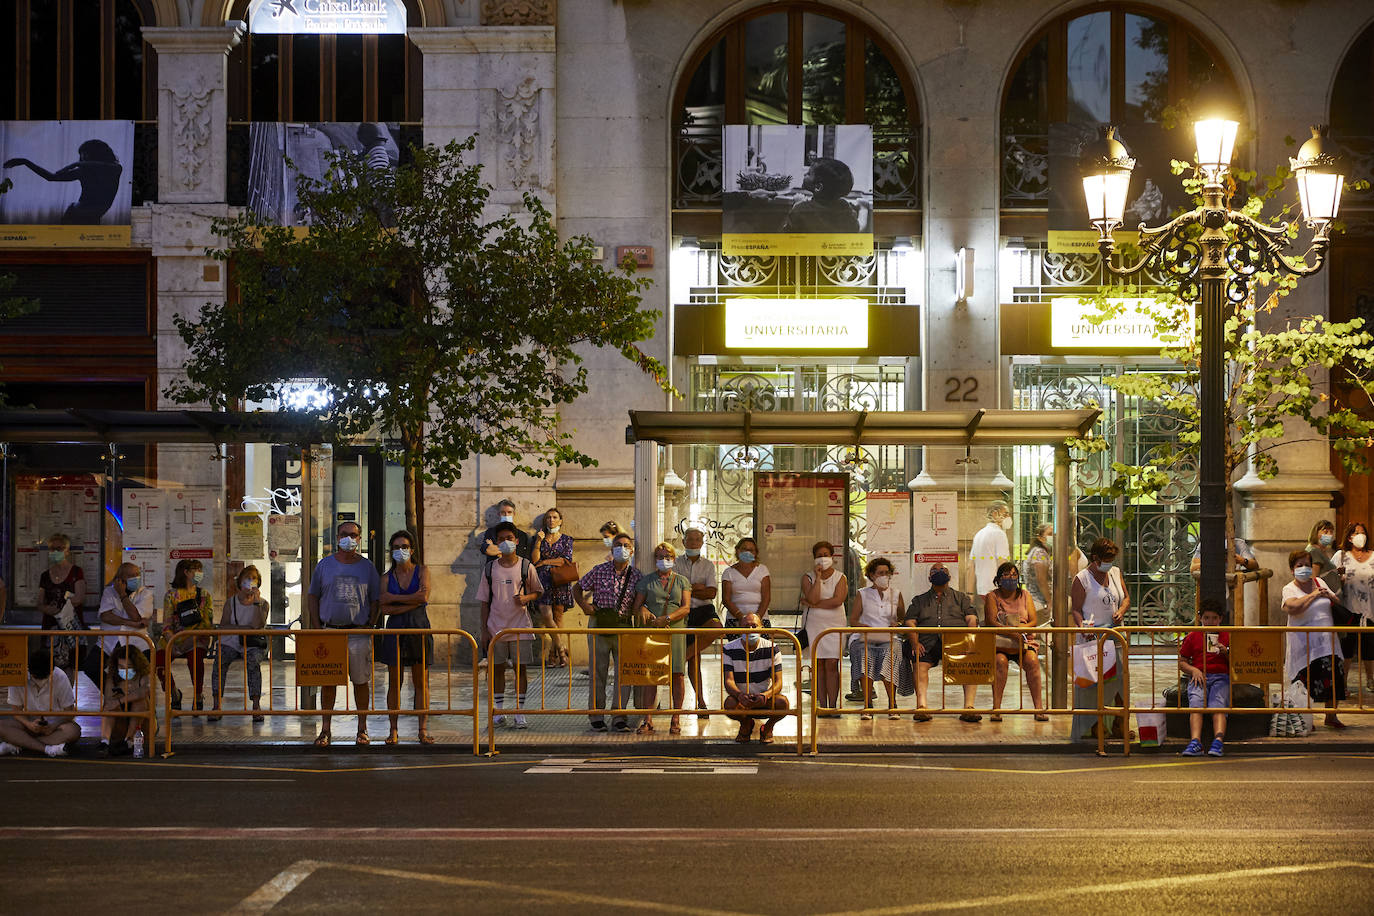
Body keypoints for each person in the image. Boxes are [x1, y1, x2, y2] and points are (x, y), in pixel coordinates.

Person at [307, 520, 382, 747]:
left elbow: (376, 599)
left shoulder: (367, 567)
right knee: (328, 683)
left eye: (353, 534)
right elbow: (313, 596)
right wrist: (317, 628)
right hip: (330, 632)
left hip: (358, 633)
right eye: (344, 534)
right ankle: (326, 730)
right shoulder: (324, 565)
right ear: (337, 537)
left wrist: (371, 623)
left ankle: (362, 729)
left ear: (359, 539)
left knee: (361, 682)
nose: (349, 538)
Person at [572, 532, 642, 732]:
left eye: (626, 545)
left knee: (623, 673)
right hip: (600, 624)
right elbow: (577, 588)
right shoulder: (599, 570)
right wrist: (585, 606)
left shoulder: (636, 575)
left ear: (632, 550)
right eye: (618, 545)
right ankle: (596, 715)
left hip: (624, 626)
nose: (622, 548)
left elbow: (641, 600)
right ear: (612, 550)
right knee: (598, 671)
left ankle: (619, 715)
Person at [478, 523, 543, 729]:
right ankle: (498, 711)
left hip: (520, 627)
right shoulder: (489, 569)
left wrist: (526, 598)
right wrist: (484, 631)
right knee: (497, 669)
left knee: (520, 669)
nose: (505, 541)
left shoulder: (526, 566)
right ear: (497, 543)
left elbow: (538, 591)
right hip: (496, 628)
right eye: (501, 538)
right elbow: (484, 602)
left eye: (509, 537)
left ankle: (519, 711)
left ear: (516, 541)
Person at [83, 562, 154, 750]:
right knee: (91, 666)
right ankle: (117, 695)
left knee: (140, 679)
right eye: (130, 576)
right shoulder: (109, 592)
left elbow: (138, 615)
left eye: (137, 574)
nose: (135, 579)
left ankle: (131, 721)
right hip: (109, 643)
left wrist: (123, 597)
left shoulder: (145, 593)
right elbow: (105, 616)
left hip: (136, 644)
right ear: (119, 579)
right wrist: (128, 620)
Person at [904, 561, 980, 722]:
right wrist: (915, 643)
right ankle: (922, 706)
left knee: (968, 663)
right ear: (929, 577)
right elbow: (910, 621)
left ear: (949, 576)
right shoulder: (919, 600)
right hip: (927, 642)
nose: (938, 572)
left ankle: (969, 707)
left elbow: (972, 617)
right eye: (934, 570)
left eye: (942, 570)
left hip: (956, 641)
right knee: (920, 664)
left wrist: (970, 640)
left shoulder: (961, 598)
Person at [1070, 537, 1129, 742]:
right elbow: (1075, 609)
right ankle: (1094, 725)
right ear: (1095, 558)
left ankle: (1119, 724)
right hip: (1092, 638)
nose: (1109, 563)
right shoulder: (1082, 579)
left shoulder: (1115, 573)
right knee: (1093, 686)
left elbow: (1126, 597)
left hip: (1115, 636)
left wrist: (1121, 610)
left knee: (1120, 682)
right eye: (1106, 559)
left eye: (1112, 559)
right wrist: (1082, 626)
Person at [377, 530, 434, 745]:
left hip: (418, 629)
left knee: (421, 681)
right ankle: (393, 730)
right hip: (395, 632)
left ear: (412, 550)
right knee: (394, 682)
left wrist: (396, 600)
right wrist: (413, 602)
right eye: (396, 547)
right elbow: (384, 607)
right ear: (391, 551)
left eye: (405, 547)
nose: (401, 551)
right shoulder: (386, 577)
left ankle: (422, 729)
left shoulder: (422, 571)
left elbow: (424, 596)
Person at [631, 542, 692, 735]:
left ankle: (676, 717)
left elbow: (685, 607)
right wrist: (644, 610)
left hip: (675, 631)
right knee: (653, 675)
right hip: (652, 632)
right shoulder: (646, 581)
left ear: (674, 559)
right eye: (660, 556)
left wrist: (666, 618)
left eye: (668, 557)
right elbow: (636, 606)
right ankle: (648, 718)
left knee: (677, 675)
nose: (664, 560)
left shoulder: (682, 581)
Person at [1284, 549, 1346, 729]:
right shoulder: (1289, 588)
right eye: (1300, 565)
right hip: (1304, 644)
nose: (1304, 568)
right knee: (1306, 682)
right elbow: (1292, 607)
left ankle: (1331, 715)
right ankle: (1307, 719)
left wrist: (1329, 596)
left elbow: (1335, 601)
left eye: (1307, 565)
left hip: (1327, 642)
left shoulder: (1320, 582)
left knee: (1332, 678)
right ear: (1292, 569)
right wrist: (1313, 595)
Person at [984, 562, 1047, 722]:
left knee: (1032, 662)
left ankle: (1038, 708)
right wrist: (1012, 633)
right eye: (1006, 574)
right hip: (1001, 642)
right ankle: (997, 708)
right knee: (1000, 661)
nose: (1010, 577)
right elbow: (991, 621)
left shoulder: (1025, 595)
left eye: (1014, 574)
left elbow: (1033, 620)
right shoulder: (992, 596)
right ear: (998, 579)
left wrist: (1020, 628)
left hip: (1023, 641)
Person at [3, 139, 123, 223]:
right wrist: (26, 162)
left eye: (85, 155)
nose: (82, 159)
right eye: (81, 156)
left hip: (90, 217)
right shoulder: (84, 172)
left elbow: (105, 167)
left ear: (97, 154)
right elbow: (51, 177)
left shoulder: (115, 169)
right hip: (76, 215)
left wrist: (75, 164)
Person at [209, 565, 269, 723]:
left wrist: (256, 603)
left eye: (254, 579)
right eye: (247, 578)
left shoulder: (263, 603)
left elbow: (257, 625)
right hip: (232, 642)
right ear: (240, 581)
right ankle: (216, 705)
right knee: (220, 661)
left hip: (252, 644)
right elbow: (224, 625)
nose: (250, 582)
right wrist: (242, 628)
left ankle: (256, 705)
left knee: (253, 662)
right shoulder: (231, 602)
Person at [848, 557, 904, 720]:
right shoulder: (862, 594)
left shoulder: (896, 594)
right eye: (880, 573)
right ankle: (867, 705)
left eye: (887, 573)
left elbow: (902, 618)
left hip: (889, 638)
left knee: (890, 656)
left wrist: (897, 624)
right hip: (865, 638)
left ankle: (892, 704)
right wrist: (862, 627)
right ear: (872, 575)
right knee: (865, 657)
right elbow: (853, 620)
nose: (884, 576)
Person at [722, 613, 790, 744]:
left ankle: (768, 728)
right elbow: (728, 680)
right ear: (739, 629)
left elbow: (778, 682)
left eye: (754, 626)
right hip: (741, 700)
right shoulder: (728, 648)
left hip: (764, 699)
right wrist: (739, 695)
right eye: (746, 626)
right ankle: (746, 724)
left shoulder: (772, 648)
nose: (750, 630)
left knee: (783, 703)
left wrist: (766, 695)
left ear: (762, 628)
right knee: (729, 704)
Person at [156, 558, 213, 712]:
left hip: (197, 638)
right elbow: (167, 624)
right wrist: (172, 642)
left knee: (195, 661)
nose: (200, 574)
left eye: (201, 571)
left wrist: (189, 640)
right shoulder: (171, 595)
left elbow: (207, 624)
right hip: (174, 638)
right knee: (159, 661)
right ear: (186, 572)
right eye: (196, 570)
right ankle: (174, 693)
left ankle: (198, 695)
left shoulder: (204, 595)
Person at [0, 650, 81, 757]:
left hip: (55, 726)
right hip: (28, 723)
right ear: (29, 670)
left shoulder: (60, 676)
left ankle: (20, 743)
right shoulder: (19, 676)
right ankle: (47, 749)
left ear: (52, 670)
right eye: (36, 677)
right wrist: (29, 724)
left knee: (73, 731)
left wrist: (53, 726)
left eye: (44, 677)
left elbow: (69, 712)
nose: (40, 680)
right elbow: (16, 711)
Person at [677, 528, 722, 717]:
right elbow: (674, 590)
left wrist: (687, 588)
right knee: (695, 660)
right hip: (684, 611)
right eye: (690, 540)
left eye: (697, 540)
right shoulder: (676, 563)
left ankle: (681, 658)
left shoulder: (709, 565)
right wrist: (695, 589)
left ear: (702, 543)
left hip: (704, 611)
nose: (694, 543)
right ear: (684, 542)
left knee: (717, 628)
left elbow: (711, 593)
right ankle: (701, 701)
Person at [1178, 597, 1229, 757]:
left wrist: (1226, 652)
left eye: (1214, 618)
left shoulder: (1227, 635)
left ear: (1220, 619)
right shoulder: (1193, 636)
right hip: (1199, 676)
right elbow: (1182, 661)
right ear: (1200, 618)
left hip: (1221, 676)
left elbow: (1237, 662)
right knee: (1196, 702)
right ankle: (1195, 741)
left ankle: (1218, 740)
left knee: (1218, 704)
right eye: (1207, 618)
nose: (1210, 622)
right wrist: (1193, 670)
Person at [801, 541, 848, 716]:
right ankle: (821, 705)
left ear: (832, 557)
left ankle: (833, 705)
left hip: (835, 624)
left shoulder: (840, 577)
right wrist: (818, 578)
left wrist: (813, 604)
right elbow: (812, 598)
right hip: (814, 625)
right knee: (818, 664)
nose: (822, 558)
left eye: (826, 555)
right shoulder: (808, 577)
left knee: (832, 663)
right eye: (819, 555)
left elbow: (838, 600)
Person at [1331, 521, 1374, 690]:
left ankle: (1370, 679)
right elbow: (1329, 579)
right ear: (1349, 537)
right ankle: (1343, 682)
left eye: (1362, 532)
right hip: (1347, 609)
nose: (1359, 536)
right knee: (1346, 648)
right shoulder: (1341, 556)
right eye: (1356, 533)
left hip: (1370, 609)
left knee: (1369, 647)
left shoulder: (1373, 555)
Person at [37, 533, 86, 679]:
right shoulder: (45, 576)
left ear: (67, 551)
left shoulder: (76, 572)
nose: (55, 552)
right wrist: (48, 609)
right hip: (50, 626)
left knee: (70, 664)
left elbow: (79, 597)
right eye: (52, 549)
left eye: (59, 548)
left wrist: (64, 608)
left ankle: (67, 697)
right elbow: (39, 602)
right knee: (49, 665)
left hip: (70, 625)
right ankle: (51, 699)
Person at [531, 507, 574, 668]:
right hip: (542, 581)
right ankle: (562, 650)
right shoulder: (538, 538)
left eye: (555, 517)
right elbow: (535, 560)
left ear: (560, 521)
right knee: (547, 616)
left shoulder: (567, 539)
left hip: (560, 580)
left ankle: (553, 657)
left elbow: (566, 560)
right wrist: (539, 541)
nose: (551, 520)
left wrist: (545, 562)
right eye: (548, 517)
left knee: (558, 618)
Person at [100, 640, 153, 756]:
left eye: (128, 667)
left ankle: (129, 741)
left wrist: (121, 700)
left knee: (140, 702)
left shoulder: (144, 675)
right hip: (120, 722)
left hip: (141, 726)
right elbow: (109, 700)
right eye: (121, 667)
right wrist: (117, 701)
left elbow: (144, 691)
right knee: (109, 706)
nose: (124, 670)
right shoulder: (112, 676)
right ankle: (104, 742)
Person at [780, 157, 860, 233]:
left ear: (818, 187)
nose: (804, 174)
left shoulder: (800, 209)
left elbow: (786, 235)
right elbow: (855, 228)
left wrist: (797, 205)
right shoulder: (845, 207)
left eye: (809, 173)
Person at [721, 537, 771, 627]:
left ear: (755, 553)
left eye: (751, 550)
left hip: (761, 619)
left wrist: (757, 618)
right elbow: (726, 600)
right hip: (734, 620)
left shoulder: (762, 570)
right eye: (744, 549)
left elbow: (766, 598)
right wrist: (742, 618)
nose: (747, 552)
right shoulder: (728, 572)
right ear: (737, 550)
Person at [969, 501, 1012, 599]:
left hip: (982, 589)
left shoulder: (979, 534)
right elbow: (1002, 564)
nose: (1008, 517)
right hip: (997, 589)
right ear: (995, 514)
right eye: (1005, 514)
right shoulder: (999, 534)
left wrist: (970, 593)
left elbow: (970, 566)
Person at [1305, 519, 1340, 590]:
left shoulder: (1322, 551)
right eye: (1325, 532)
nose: (1329, 535)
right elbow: (1314, 578)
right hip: (1325, 595)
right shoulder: (1314, 551)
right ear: (1316, 533)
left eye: (1331, 532)